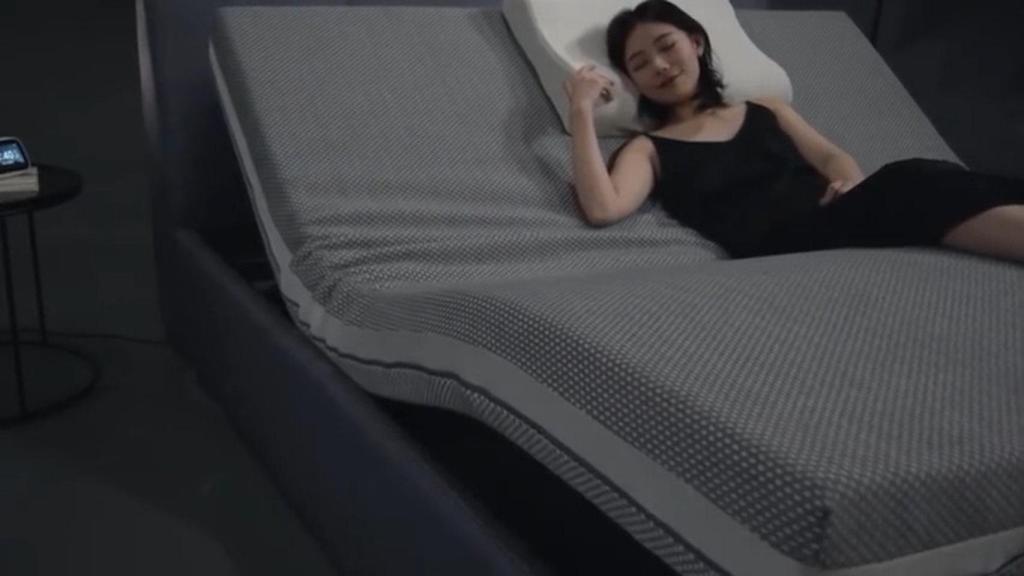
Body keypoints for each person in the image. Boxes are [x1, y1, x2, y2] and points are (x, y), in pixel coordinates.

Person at [562, 0, 1024, 262]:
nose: (661, 66)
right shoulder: (648, 149)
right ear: (632, 81)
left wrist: (849, 183)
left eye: (667, 46)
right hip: (781, 244)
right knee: (914, 179)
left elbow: (830, 158)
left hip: (836, 216)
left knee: (922, 178)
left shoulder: (765, 107)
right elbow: (603, 208)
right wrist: (581, 109)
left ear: (696, 43)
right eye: (641, 63)